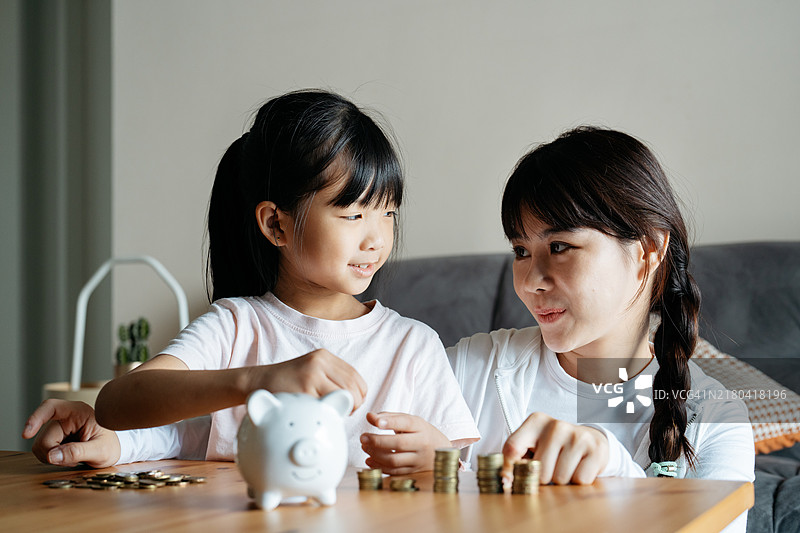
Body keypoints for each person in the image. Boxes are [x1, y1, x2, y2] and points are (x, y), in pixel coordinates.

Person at [39, 89, 479, 474]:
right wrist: (258, 380)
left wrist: (433, 458)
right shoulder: (236, 327)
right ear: (276, 225)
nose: (377, 239)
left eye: (388, 213)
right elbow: (118, 404)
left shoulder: (412, 345)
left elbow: (461, 480)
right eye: (353, 215)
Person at [447, 126, 753, 531]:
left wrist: (615, 471)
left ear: (648, 249)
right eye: (521, 251)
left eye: (559, 247)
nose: (529, 281)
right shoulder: (470, 370)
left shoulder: (715, 421)